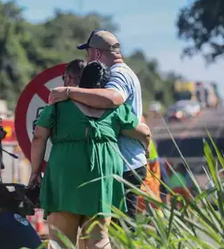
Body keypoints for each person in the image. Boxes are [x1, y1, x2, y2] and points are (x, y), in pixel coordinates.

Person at [30, 62, 151, 249]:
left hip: (65, 176)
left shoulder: (60, 105)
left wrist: (35, 172)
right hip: (102, 178)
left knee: (60, 242)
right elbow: (143, 132)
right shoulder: (115, 108)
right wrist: (147, 146)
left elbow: (39, 137)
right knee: (99, 239)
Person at [49, 30, 148, 217]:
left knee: (122, 232)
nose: (87, 59)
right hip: (126, 162)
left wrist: (69, 92)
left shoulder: (118, 74)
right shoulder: (124, 72)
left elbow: (112, 99)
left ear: (96, 53)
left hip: (124, 165)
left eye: (88, 54)